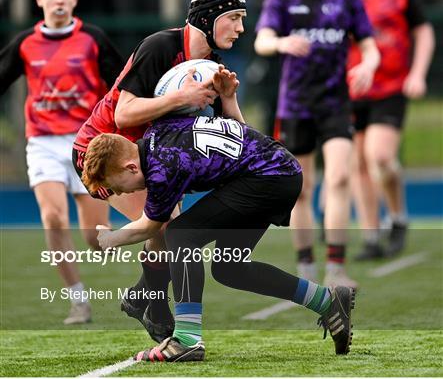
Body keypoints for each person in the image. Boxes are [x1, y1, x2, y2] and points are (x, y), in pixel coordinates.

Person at [82, 115, 356, 362]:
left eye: (117, 188)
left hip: (267, 177)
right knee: (229, 268)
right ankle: (326, 301)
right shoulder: (159, 132)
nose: (120, 194)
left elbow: (149, 227)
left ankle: (187, 340)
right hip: (278, 170)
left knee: (180, 234)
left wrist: (110, 239)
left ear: (131, 168)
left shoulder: (161, 166)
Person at [72, 0, 246, 337]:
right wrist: (182, 99)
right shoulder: (161, 46)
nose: (241, 27)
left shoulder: (212, 62)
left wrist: (230, 104)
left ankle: (142, 297)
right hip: (104, 154)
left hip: (153, 157)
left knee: (171, 228)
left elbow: (233, 132)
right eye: (234, 17)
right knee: (167, 227)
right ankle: (153, 305)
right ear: (208, 18)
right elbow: (124, 115)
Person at [254, 0, 380, 288]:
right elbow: (262, 40)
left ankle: (337, 267)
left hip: (335, 104)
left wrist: (369, 65)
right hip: (294, 106)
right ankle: (306, 264)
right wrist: (280, 43)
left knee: (340, 177)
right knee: (302, 189)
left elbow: (369, 45)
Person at [0, 0, 123, 324]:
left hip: (87, 144)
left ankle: (146, 280)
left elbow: (124, 86)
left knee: (96, 239)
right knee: (52, 217)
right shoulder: (25, 43)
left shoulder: (93, 39)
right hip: (43, 143)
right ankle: (79, 301)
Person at [348, 0, 435, 260]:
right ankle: (371, 236)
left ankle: (398, 216)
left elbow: (423, 31)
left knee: (380, 156)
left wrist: (417, 73)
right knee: (358, 163)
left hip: (391, 88)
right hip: (353, 88)